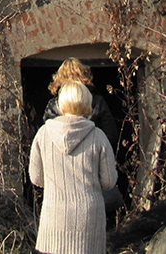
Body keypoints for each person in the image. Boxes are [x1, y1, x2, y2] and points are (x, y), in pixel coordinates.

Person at [29, 81, 117, 254]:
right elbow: (109, 182)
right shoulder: (98, 137)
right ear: (87, 103)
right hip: (89, 222)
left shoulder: (43, 134)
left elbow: (36, 178)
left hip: (54, 219)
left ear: (61, 104)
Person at [42, 58, 124, 215]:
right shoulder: (97, 102)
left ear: (59, 78)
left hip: (61, 180)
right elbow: (111, 136)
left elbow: (48, 142)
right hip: (91, 174)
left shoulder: (53, 106)